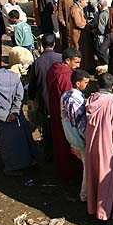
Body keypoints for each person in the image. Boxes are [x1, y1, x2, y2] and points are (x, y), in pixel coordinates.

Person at [0, 52, 37, 176]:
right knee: (23, 139)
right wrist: (15, 111)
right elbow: (20, 95)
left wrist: (4, 116)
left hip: (2, 121)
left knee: (8, 144)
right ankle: (30, 160)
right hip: (17, 116)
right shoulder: (13, 76)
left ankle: (13, 167)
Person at [84, 72, 113, 225]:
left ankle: (93, 210)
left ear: (98, 85)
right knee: (108, 182)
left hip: (91, 147)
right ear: (112, 86)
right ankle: (110, 216)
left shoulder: (90, 100)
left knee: (94, 178)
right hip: (107, 150)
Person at [46, 48, 84, 182]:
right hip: (65, 118)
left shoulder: (53, 69)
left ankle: (61, 170)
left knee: (59, 143)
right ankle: (72, 175)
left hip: (55, 111)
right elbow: (71, 100)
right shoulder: (65, 76)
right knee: (70, 144)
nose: (78, 66)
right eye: (76, 62)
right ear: (67, 60)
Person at [28, 33, 62, 157]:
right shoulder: (61, 58)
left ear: (42, 45)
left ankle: (49, 153)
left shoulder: (38, 63)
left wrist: (31, 97)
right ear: (54, 44)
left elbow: (32, 83)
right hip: (60, 100)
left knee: (47, 129)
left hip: (45, 101)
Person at [61, 69, 91, 203]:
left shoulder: (65, 95)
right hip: (78, 138)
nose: (87, 85)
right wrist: (88, 138)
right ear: (78, 83)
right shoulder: (77, 99)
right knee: (88, 167)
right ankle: (85, 194)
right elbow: (80, 123)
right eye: (85, 82)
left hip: (69, 134)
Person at [68, 0, 96, 71]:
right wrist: (89, 26)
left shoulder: (78, 8)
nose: (86, 4)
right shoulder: (76, 9)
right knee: (79, 51)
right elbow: (78, 23)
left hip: (81, 34)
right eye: (86, 2)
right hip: (78, 34)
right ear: (81, 1)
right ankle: (81, 67)